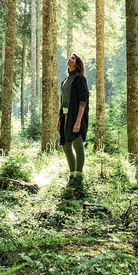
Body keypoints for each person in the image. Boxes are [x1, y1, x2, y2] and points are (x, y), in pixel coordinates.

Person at [59, 53, 89, 185]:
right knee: (66, 146)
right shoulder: (65, 81)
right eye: (70, 57)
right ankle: (72, 176)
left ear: (77, 64)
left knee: (78, 147)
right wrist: (59, 120)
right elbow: (63, 102)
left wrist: (78, 121)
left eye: (73, 58)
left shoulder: (80, 79)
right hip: (65, 117)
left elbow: (83, 101)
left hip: (76, 117)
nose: (69, 59)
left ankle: (78, 177)